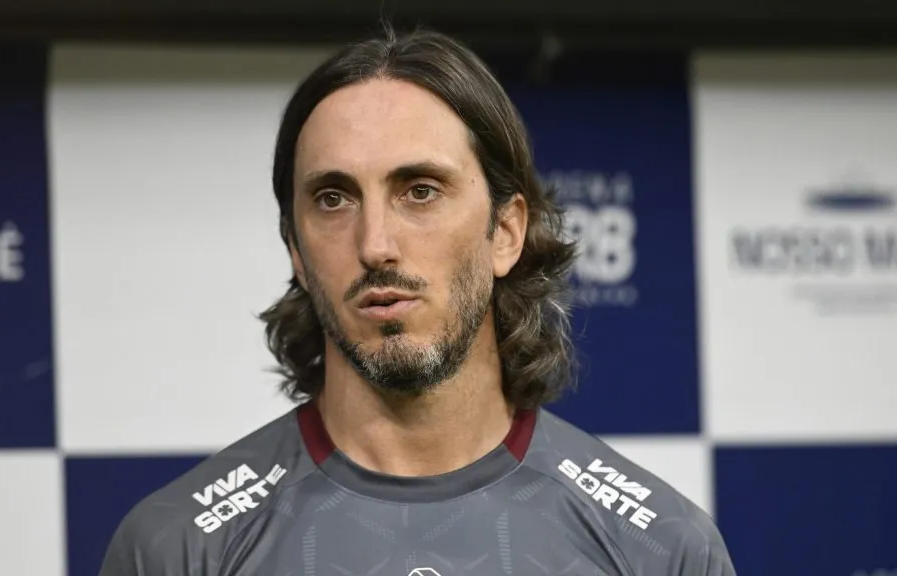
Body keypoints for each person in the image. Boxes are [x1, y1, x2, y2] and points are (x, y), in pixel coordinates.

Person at [98, 25, 736, 576]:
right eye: (332, 198)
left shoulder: (659, 549)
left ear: (506, 232)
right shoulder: (176, 547)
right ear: (294, 246)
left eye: (421, 191)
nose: (376, 243)